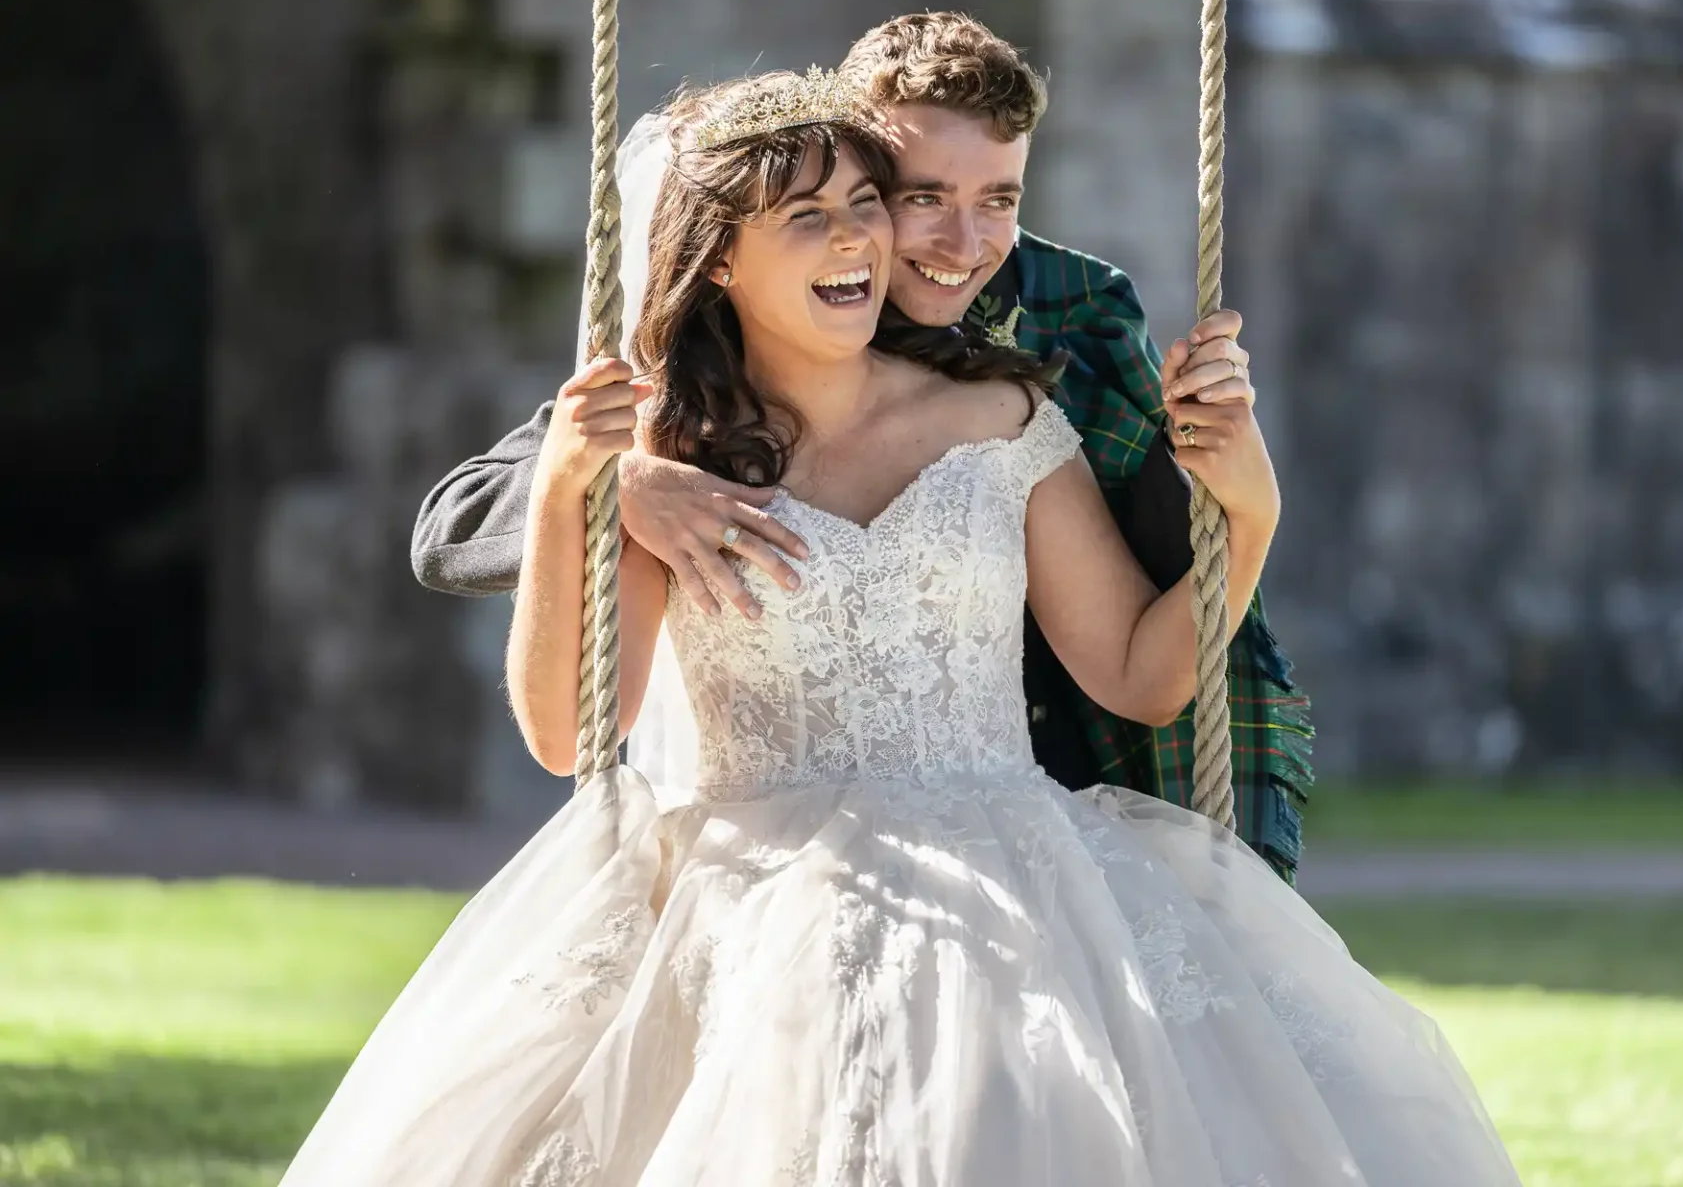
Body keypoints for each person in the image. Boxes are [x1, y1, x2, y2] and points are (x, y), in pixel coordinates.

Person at [283, 70, 1518, 1186]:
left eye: (865, 207)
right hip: (754, 891)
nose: (857, 242)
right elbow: (565, 732)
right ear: (719, 259)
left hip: (1015, 873)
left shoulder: (1000, 417)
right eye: (807, 217)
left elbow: (1142, 675)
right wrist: (575, 489)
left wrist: (1248, 516)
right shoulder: (674, 456)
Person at [410, 13, 1314, 880]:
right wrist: (616, 485)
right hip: (762, 877)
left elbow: (1141, 655)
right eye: (917, 197)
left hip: (1033, 822)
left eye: (997, 198)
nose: (958, 243)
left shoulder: (1046, 350)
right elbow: (501, 561)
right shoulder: (678, 428)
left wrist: (1250, 505)